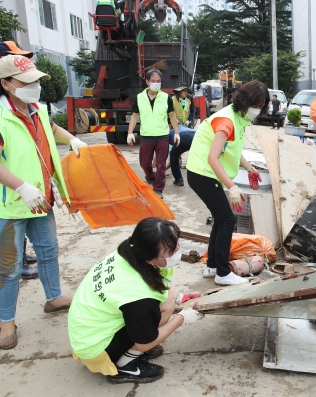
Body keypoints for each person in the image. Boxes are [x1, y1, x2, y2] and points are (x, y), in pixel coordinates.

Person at [0, 55, 88, 350]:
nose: (35, 86)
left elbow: (53, 130)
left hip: (41, 199)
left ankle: (53, 298)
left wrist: (74, 140)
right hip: (11, 205)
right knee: (9, 266)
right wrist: (22, 187)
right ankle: (7, 321)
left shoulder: (38, 110)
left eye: (36, 81)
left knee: (48, 251)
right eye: (26, 82)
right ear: (6, 84)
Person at [68, 217, 204, 384]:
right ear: (150, 259)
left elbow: (154, 284)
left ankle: (127, 350)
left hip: (88, 329)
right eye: (170, 251)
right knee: (155, 325)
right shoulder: (138, 297)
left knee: (169, 300)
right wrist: (182, 318)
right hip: (96, 347)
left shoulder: (129, 251)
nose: (177, 250)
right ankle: (124, 365)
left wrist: (178, 296)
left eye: (175, 244)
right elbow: (145, 339)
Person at [186, 80, 268, 286]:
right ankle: (222, 273)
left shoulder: (239, 118)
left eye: (261, 106)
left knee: (220, 218)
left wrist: (250, 169)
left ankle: (212, 266)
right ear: (245, 101)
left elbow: (234, 150)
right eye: (255, 105)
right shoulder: (227, 121)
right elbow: (213, 158)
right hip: (202, 173)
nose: (257, 110)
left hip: (206, 173)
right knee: (227, 220)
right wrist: (232, 186)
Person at [0, 41, 39, 279]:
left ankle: (22, 254)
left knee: (23, 208)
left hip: (17, 160)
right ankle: (15, 258)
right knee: (10, 214)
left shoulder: (29, 101)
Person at [127, 69, 180, 199]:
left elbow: (172, 116)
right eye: (153, 81)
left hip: (162, 136)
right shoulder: (140, 98)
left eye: (158, 81)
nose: (156, 83)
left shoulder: (166, 98)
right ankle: (150, 177)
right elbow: (134, 116)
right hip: (146, 136)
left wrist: (177, 133)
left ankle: (158, 189)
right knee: (145, 164)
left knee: (161, 164)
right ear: (147, 82)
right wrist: (130, 133)